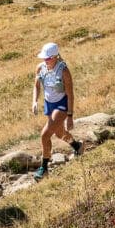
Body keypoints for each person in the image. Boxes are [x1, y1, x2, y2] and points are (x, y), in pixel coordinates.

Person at [31, 42, 82, 181]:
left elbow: (70, 95)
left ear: (55, 56)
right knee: (59, 133)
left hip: (62, 105)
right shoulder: (40, 68)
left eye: (47, 58)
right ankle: (77, 146)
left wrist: (70, 116)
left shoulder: (64, 71)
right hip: (49, 104)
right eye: (44, 58)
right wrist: (34, 101)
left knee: (44, 135)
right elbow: (36, 86)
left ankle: (44, 168)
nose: (44, 60)